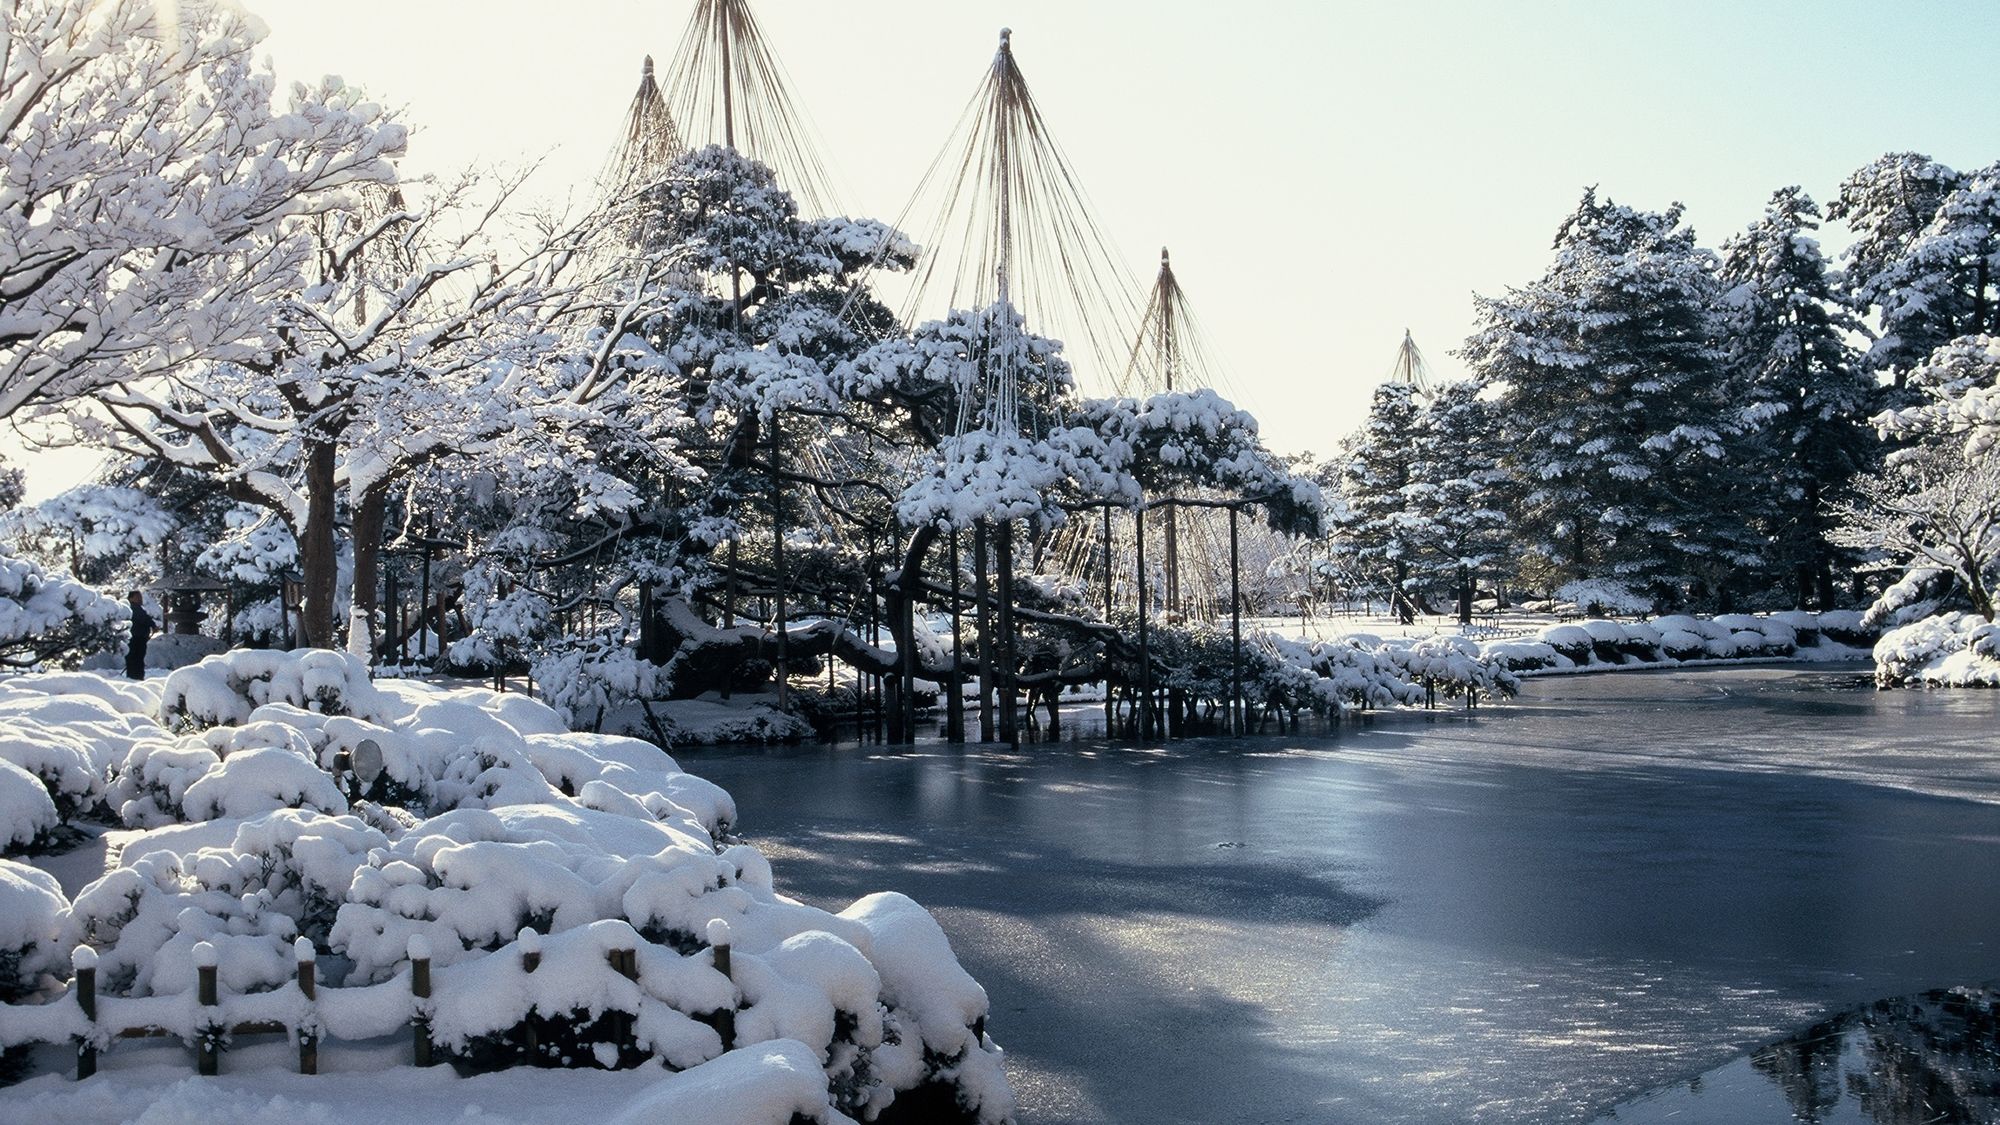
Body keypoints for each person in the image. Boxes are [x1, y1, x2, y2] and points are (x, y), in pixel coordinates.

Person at [126, 591, 154, 680]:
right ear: (131, 598)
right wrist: (153, 625)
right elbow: (144, 618)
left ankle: (134, 675)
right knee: (136, 658)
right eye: (137, 597)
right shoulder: (134, 608)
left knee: (135, 658)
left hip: (137, 637)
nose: (140, 599)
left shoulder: (136, 608)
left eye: (140, 597)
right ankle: (136, 676)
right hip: (136, 637)